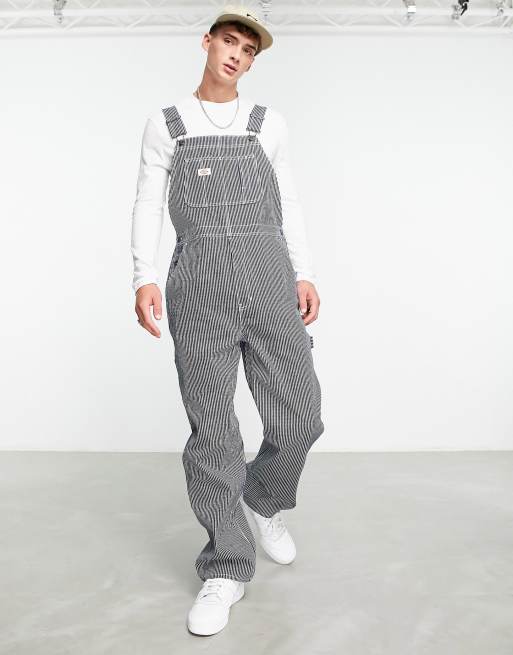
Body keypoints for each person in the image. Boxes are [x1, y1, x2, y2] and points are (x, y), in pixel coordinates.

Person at [130, 3, 325, 636]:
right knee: (213, 430)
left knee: (301, 415)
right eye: (230, 41)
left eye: (248, 49)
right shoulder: (167, 123)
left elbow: (288, 199)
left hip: (269, 275)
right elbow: (148, 202)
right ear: (208, 42)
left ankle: (264, 499)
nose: (237, 54)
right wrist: (143, 275)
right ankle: (226, 566)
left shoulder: (269, 123)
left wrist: (303, 271)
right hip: (198, 282)